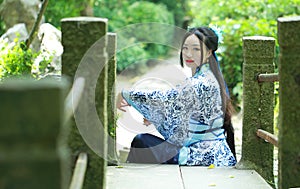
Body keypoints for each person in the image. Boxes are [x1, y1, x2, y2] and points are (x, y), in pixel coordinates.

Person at [116, 26, 236, 166]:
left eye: (196, 49)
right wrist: (157, 116)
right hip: (210, 151)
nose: (189, 54)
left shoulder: (201, 82)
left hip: (203, 154)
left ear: (209, 52)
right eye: (185, 48)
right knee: (144, 142)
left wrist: (125, 94)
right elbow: (181, 112)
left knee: (142, 141)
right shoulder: (209, 76)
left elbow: (166, 99)